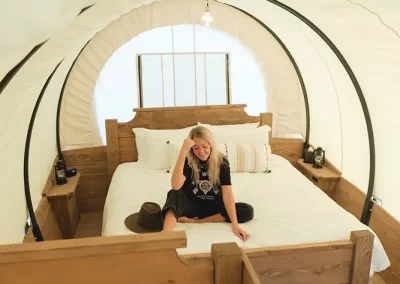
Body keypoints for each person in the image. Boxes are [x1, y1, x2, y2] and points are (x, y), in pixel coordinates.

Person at [161, 126, 254, 241]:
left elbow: (227, 194)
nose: (201, 152)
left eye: (204, 146)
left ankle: (198, 221)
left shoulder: (221, 161)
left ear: (211, 145)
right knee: (174, 194)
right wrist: (183, 151)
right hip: (191, 206)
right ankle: (166, 236)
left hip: (213, 207)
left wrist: (235, 226)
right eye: (195, 148)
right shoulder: (187, 160)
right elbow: (175, 186)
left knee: (246, 210)